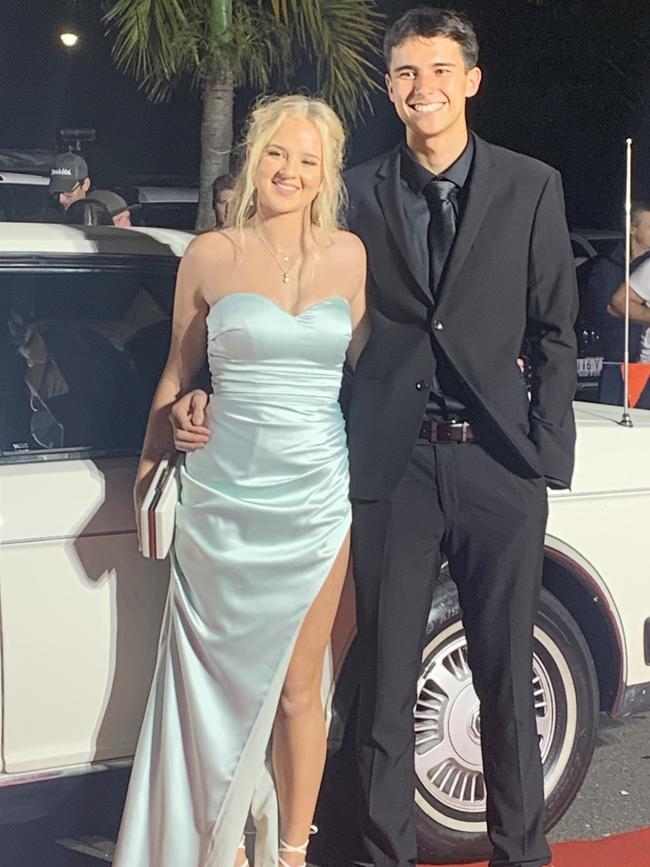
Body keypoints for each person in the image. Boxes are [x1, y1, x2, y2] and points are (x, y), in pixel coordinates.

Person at [170, 8, 578, 867]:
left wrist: (546, 454)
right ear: (390, 87)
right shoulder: (354, 189)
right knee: (385, 684)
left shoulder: (532, 184)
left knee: (505, 682)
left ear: (470, 79)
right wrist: (205, 387)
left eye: (438, 70)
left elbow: (554, 330)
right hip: (393, 467)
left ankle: (522, 853)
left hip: (503, 465)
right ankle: (383, 855)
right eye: (404, 73)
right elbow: (278, 304)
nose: (421, 87)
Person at [112, 94, 366, 867]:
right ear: (255, 158)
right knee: (211, 695)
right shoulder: (211, 256)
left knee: (300, 688)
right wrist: (164, 443)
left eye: (307, 159)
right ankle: (210, 846)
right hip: (223, 503)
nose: (290, 171)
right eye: (278, 154)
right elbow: (173, 377)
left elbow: (375, 375)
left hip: (319, 495)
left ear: (327, 174)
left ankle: (290, 851)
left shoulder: (351, 257)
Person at [581, 202, 650, 365]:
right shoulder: (605, 266)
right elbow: (606, 309)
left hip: (640, 356)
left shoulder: (648, 264)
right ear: (632, 229)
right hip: (613, 356)